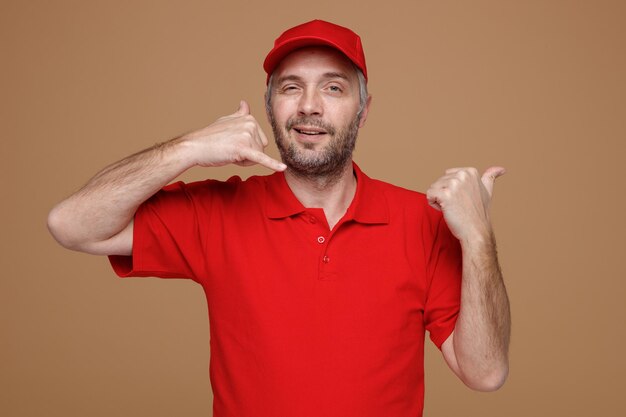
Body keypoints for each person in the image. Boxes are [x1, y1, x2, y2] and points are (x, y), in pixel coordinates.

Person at [48, 19, 510, 417]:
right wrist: (187, 149)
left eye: (333, 87)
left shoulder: (421, 221)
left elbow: (485, 372)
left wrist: (478, 238)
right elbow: (70, 225)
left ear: (364, 110)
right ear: (270, 106)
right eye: (292, 87)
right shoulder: (218, 212)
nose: (309, 105)